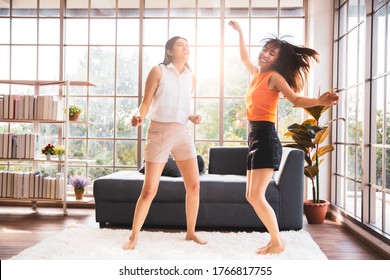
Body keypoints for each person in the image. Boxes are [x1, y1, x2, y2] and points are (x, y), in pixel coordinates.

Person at [228, 20, 339, 255]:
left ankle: (277, 242)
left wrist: (320, 101)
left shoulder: (275, 77)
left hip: (266, 138)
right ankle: (275, 239)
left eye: (272, 53)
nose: (265, 54)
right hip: (254, 138)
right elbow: (244, 58)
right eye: (265, 49)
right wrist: (240, 33)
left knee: (256, 196)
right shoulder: (258, 74)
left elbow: (296, 99)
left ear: (278, 60)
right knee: (251, 196)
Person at [123, 36, 206, 250]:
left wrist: (192, 117)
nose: (186, 48)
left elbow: (183, 106)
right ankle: (133, 238)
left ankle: (190, 233)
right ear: (169, 51)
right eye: (180, 45)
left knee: (194, 185)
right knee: (150, 189)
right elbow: (146, 103)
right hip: (159, 131)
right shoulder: (158, 71)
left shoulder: (191, 77)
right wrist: (138, 116)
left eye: (187, 45)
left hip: (183, 132)